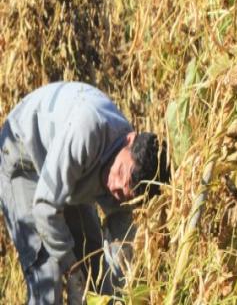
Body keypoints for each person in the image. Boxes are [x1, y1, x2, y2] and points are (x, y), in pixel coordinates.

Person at [0, 81, 170, 304]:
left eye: (124, 194)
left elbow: (120, 246)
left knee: (92, 256)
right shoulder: (87, 130)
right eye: (120, 173)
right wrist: (71, 268)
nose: (116, 188)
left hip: (67, 173)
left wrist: (117, 295)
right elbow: (44, 208)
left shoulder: (132, 181)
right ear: (129, 139)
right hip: (22, 155)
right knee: (47, 273)